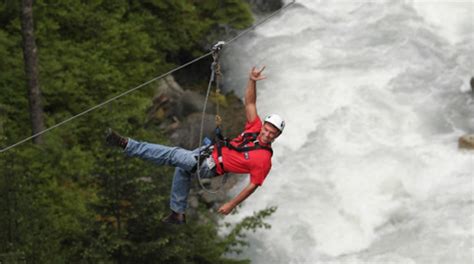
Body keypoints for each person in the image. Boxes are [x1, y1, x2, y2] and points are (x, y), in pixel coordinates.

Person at [106, 66, 285, 224]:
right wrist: (252, 80)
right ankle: (178, 213)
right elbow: (250, 102)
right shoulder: (255, 127)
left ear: (276, 136)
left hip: (209, 166)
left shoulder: (263, 160)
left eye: (272, 133)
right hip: (207, 151)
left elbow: (252, 185)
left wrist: (231, 204)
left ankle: (127, 144)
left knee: (173, 155)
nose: (267, 133)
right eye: (267, 129)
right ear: (264, 126)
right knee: (181, 170)